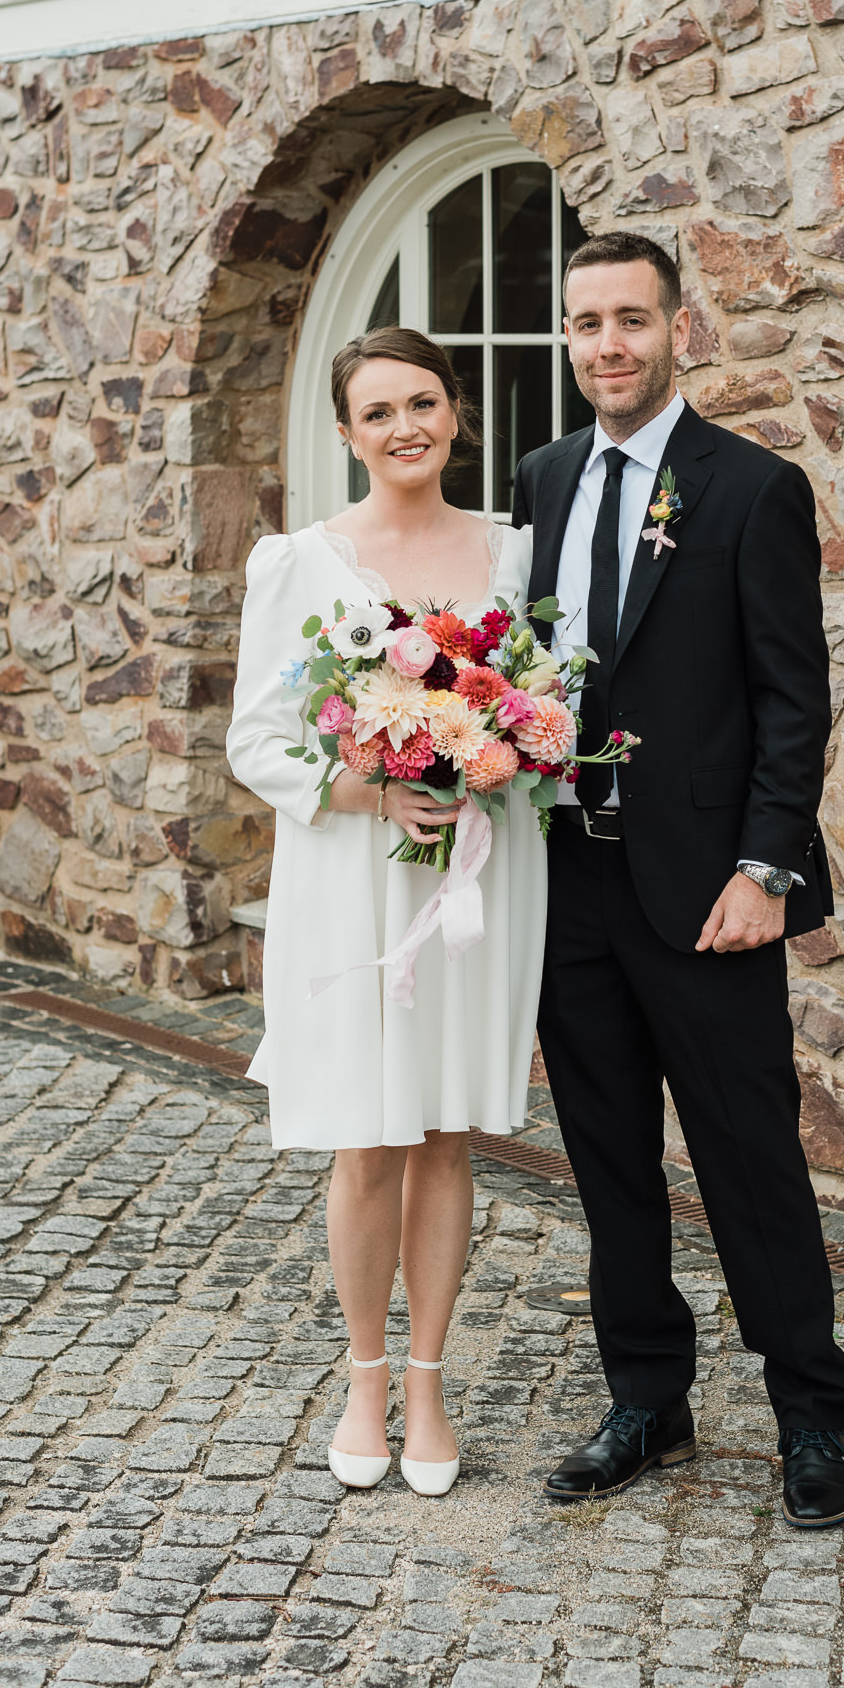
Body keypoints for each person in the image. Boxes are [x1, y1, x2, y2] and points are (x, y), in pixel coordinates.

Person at [511, 231, 844, 1529]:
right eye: (587, 320)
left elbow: (792, 698)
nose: (609, 343)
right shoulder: (541, 479)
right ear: (568, 334)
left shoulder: (750, 489)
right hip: (574, 886)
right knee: (607, 1162)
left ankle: (812, 1410)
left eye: (631, 320)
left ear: (679, 328)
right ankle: (647, 1395)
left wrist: (769, 865)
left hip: (712, 894)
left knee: (750, 1158)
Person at [226, 326, 544, 1500]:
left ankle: (426, 1381)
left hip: (479, 879)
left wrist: (502, 747)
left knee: (449, 1131)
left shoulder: (515, 555)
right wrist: (371, 788)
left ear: (456, 413)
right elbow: (255, 740)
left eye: (423, 401)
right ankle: (364, 1379)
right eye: (378, 412)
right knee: (370, 1134)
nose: (405, 426)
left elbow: (547, 700)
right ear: (348, 433)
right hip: (356, 877)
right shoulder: (299, 563)